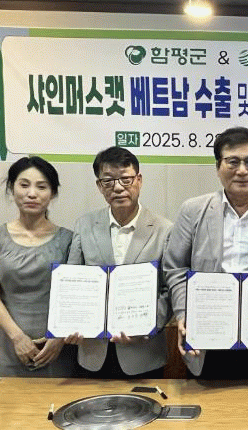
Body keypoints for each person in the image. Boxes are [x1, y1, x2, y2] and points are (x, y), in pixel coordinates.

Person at [164, 126, 248, 378]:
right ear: (218, 167)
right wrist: (183, 313)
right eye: (233, 162)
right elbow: (175, 268)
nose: (242, 170)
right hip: (206, 333)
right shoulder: (192, 211)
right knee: (206, 400)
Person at [66, 146, 172, 378]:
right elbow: (73, 282)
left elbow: (169, 289)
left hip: (143, 352)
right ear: (99, 185)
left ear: (139, 180)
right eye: (108, 181)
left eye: (125, 179)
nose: (117, 187)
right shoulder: (85, 225)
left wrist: (147, 326)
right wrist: (72, 322)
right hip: (93, 352)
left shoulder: (164, 229)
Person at [0, 156, 76, 377]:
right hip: (11, 346)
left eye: (41, 187)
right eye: (24, 185)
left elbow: (74, 296)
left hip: (57, 349)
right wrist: (18, 338)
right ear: (12, 188)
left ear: (52, 193)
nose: (32, 193)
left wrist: (59, 337)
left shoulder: (69, 240)